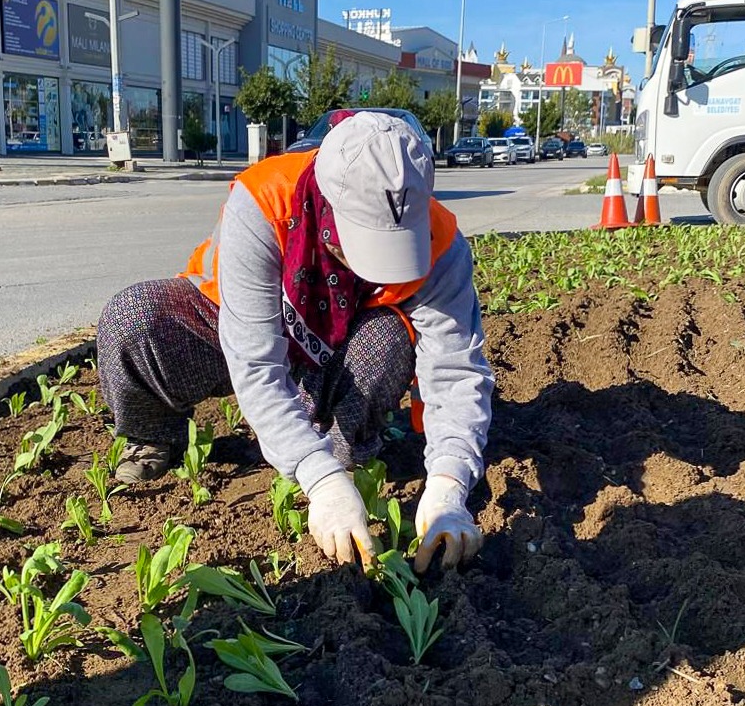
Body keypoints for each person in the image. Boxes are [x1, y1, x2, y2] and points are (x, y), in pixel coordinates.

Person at [97, 110, 494, 573]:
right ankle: (153, 437)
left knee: (388, 340)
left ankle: (336, 449)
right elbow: (256, 362)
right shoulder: (263, 201)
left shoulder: (442, 242)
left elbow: (455, 370)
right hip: (235, 321)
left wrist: (448, 485)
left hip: (347, 342)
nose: (376, 271)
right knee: (132, 319)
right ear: (327, 207)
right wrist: (319, 479)